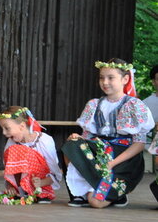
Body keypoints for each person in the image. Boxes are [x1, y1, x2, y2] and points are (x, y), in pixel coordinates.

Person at [62, 59, 154, 208]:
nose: (105, 82)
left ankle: (117, 195)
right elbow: (88, 137)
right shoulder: (94, 104)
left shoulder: (134, 105)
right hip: (100, 154)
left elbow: (139, 144)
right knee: (71, 145)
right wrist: (78, 138)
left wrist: (111, 164)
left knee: (96, 203)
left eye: (111, 77)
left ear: (125, 79)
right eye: (101, 78)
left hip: (123, 159)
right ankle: (82, 192)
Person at [0, 106, 63, 203]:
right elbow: (8, 169)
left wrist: (41, 183)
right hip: (21, 188)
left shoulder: (45, 140)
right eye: (2, 129)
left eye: (7, 128)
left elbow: (56, 173)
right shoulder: (11, 142)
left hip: (41, 184)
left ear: (22, 126)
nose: (4, 133)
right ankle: (19, 191)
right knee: (13, 150)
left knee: (21, 151)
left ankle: (42, 193)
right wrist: (10, 186)